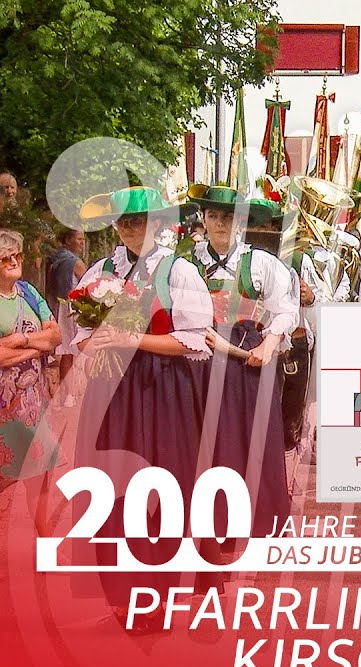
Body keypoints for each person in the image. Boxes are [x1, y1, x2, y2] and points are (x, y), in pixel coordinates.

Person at [73, 186, 213, 632]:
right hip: (111, 392)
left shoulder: (180, 271)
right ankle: (121, 593)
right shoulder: (100, 270)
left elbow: (193, 339)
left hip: (161, 391)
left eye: (141, 220)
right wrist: (96, 343)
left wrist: (132, 339)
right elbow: (77, 332)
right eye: (125, 222)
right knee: (113, 486)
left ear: (158, 224)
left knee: (159, 486)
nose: (132, 229)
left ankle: (157, 594)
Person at [186, 184, 298, 547]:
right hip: (198, 358)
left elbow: (286, 310)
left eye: (228, 216)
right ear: (203, 218)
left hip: (246, 361)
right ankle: (208, 524)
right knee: (204, 439)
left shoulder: (261, 262)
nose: (220, 222)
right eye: (214, 215)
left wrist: (269, 341)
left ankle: (251, 523)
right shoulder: (187, 261)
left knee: (248, 438)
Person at [0, 229, 62, 495]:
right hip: (3, 409)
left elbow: (56, 336)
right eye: (5, 258)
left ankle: (42, 535)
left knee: (39, 483)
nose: (14, 261)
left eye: (18, 255)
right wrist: (38, 347)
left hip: (34, 407)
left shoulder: (28, 291)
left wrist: (22, 340)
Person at [45, 227, 88, 385]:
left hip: (57, 306)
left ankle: (66, 393)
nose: (82, 243)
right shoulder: (74, 262)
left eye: (83, 239)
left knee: (66, 351)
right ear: (68, 240)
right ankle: (71, 393)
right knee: (74, 350)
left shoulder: (54, 258)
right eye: (79, 239)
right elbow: (90, 287)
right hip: (73, 308)